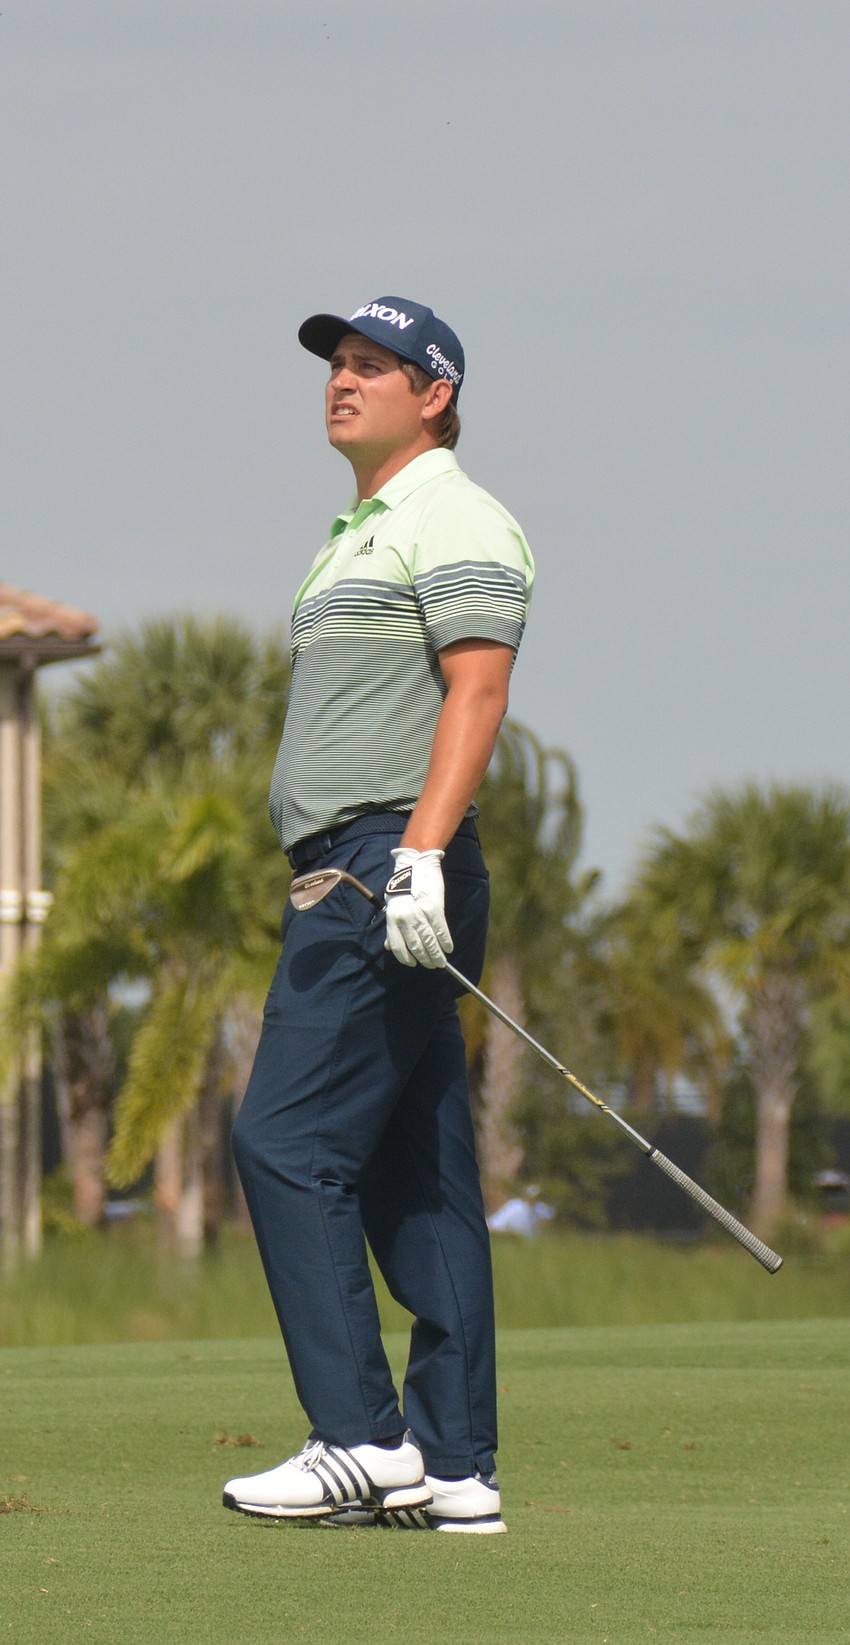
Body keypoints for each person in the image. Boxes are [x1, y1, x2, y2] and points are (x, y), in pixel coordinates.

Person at [225, 295, 534, 1533]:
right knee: (417, 1170)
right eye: (336, 366)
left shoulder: (454, 514)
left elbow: (479, 687)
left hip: (379, 861)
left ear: (436, 392)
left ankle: (357, 1436)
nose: (341, 382)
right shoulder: (355, 529)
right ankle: (455, 1461)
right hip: (378, 857)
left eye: (371, 366)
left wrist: (412, 856)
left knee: (283, 1140)